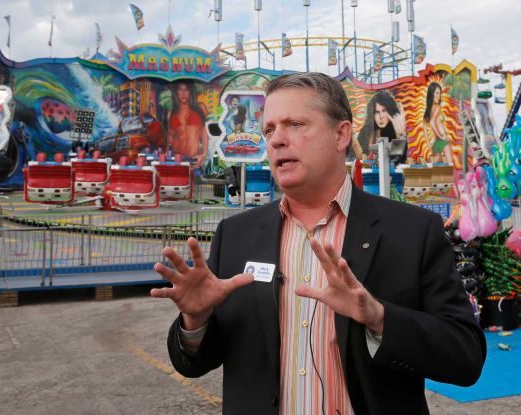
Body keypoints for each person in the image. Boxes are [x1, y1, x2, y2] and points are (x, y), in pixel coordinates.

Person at [151, 72, 485, 414]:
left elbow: (466, 356)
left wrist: (380, 318)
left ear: (341, 135)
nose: (277, 140)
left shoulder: (413, 232)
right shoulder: (236, 236)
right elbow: (193, 363)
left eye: (295, 124)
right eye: (269, 129)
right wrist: (197, 320)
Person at [167, 81, 209, 167]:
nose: (183, 93)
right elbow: (170, 136)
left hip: (194, 158)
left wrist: (204, 154)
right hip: (177, 159)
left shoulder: (200, 107)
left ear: (191, 92)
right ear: (176, 93)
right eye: (180, 90)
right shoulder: (171, 113)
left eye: (186, 90)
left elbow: (205, 132)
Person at [355, 90, 406, 159]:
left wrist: (401, 136)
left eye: (384, 110)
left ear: (390, 110)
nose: (381, 116)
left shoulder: (397, 130)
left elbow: (396, 160)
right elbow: (358, 158)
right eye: (377, 112)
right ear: (372, 113)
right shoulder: (366, 132)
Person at [423, 82, 453, 164]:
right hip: (443, 140)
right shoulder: (437, 106)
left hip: (436, 143)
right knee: (450, 165)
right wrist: (441, 137)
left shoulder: (427, 110)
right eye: (436, 92)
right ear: (431, 94)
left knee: (438, 169)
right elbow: (432, 122)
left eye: (439, 93)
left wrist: (429, 144)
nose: (438, 95)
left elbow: (424, 129)